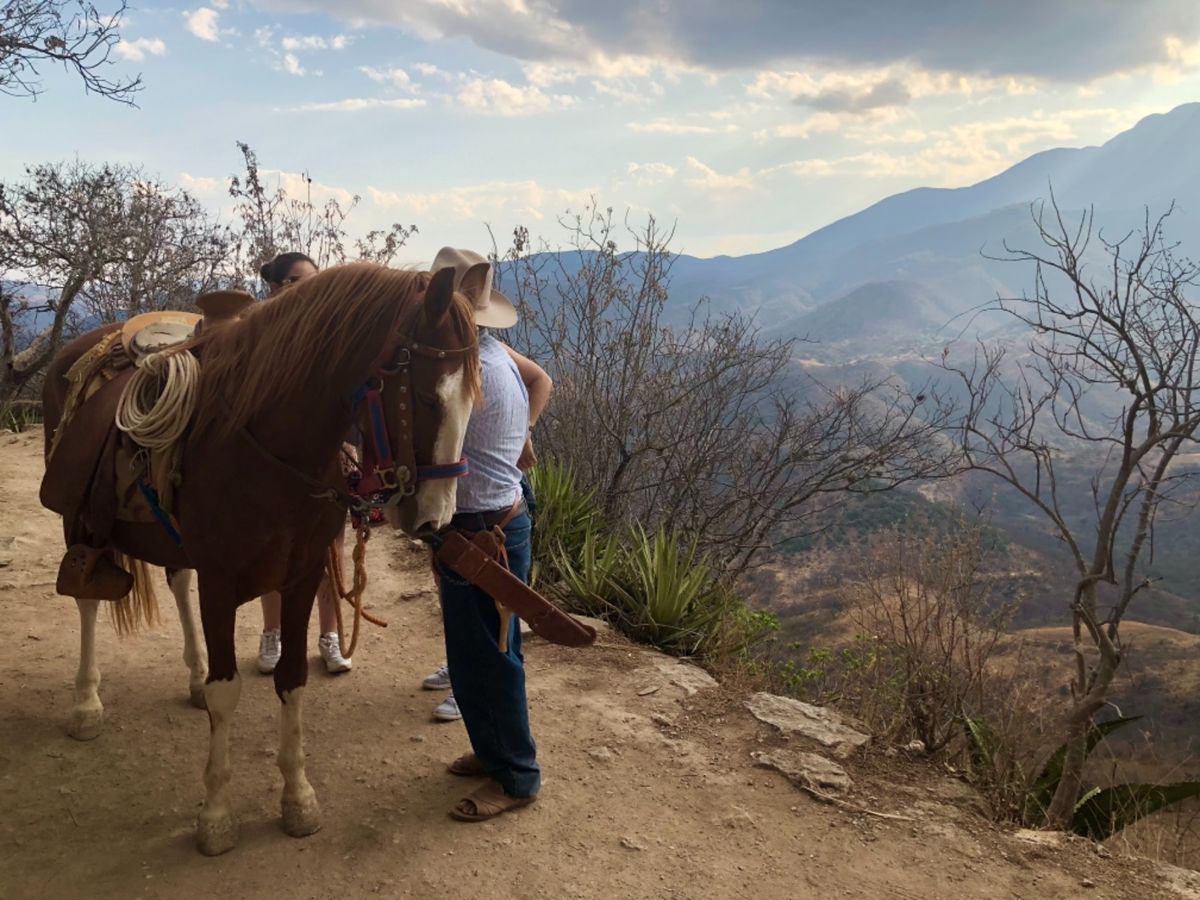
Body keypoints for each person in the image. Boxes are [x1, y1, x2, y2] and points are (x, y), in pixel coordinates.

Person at [427, 247, 550, 821]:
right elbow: (541, 379)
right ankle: (493, 749)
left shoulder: (467, 366)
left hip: (482, 528)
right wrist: (523, 433)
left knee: (490, 656)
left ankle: (517, 778)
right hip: (498, 518)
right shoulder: (492, 350)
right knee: (481, 650)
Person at [255, 252, 353, 674]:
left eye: (315, 280)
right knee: (273, 549)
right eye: (299, 281)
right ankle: (272, 632)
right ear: (276, 288)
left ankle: (329, 636)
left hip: (324, 459)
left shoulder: (329, 336)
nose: (310, 288)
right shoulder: (258, 335)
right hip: (274, 462)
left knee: (331, 550)